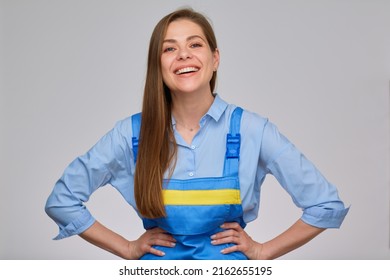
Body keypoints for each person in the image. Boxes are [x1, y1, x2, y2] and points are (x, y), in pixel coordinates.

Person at [45, 8, 349, 260]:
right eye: (169, 48)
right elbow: (62, 201)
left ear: (215, 59)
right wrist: (126, 248)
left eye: (195, 45)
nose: (183, 55)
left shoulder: (251, 130)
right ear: (158, 65)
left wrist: (262, 250)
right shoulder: (130, 135)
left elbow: (325, 205)